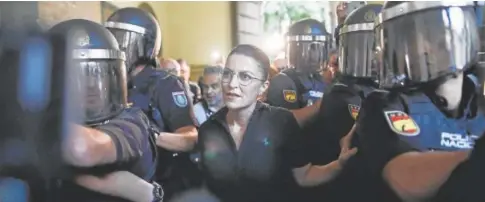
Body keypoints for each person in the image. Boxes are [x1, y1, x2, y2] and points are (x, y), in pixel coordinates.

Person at [355, 1, 485, 202]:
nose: (421, 45)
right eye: (410, 35)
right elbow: (404, 178)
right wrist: (473, 158)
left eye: (431, 30)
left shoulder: (480, 97)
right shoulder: (384, 104)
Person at [196, 44, 357, 202]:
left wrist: (338, 165)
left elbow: (304, 176)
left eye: (245, 77)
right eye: (227, 74)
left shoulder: (281, 122)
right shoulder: (208, 130)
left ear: (263, 87)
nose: (232, 84)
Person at [44, 19, 160, 202]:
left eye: (99, 74)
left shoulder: (133, 121)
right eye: (78, 76)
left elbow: (83, 149)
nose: (91, 85)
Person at [105, 7, 199, 200]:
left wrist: (148, 136)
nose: (117, 47)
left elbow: (191, 137)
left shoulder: (165, 84)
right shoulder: (107, 84)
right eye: (111, 38)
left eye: (122, 39)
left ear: (145, 45)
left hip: (158, 186)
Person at [304, 4, 383, 202]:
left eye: (379, 45)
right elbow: (359, 152)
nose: (375, 54)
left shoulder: (387, 90)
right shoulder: (342, 94)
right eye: (369, 46)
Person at [266, 19, 329, 109]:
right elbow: (287, 120)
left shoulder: (321, 80)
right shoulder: (282, 82)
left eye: (318, 47)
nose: (315, 54)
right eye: (311, 47)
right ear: (295, 50)